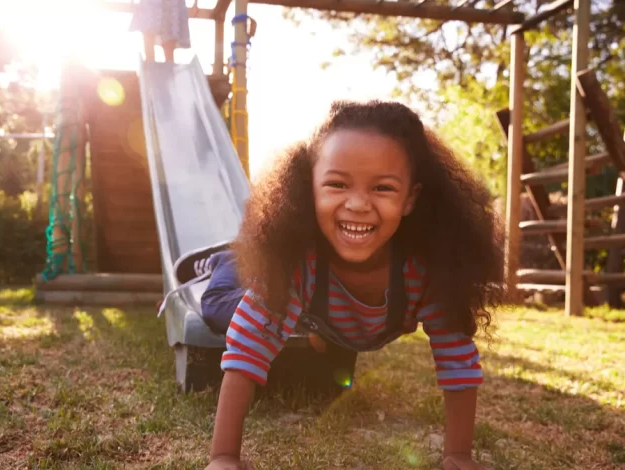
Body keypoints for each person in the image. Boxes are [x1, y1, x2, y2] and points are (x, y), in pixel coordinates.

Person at [205, 100, 505, 470]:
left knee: (322, 342)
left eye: (382, 188)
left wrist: (458, 456)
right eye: (336, 184)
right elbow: (246, 350)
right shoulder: (297, 265)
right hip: (259, 279)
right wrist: (223, 457)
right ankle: (224, 260)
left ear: (411, 198)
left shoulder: (427, 271)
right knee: (225, 305)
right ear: (308, 186)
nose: (359, 204)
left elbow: (458, 359)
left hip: (337, 323)